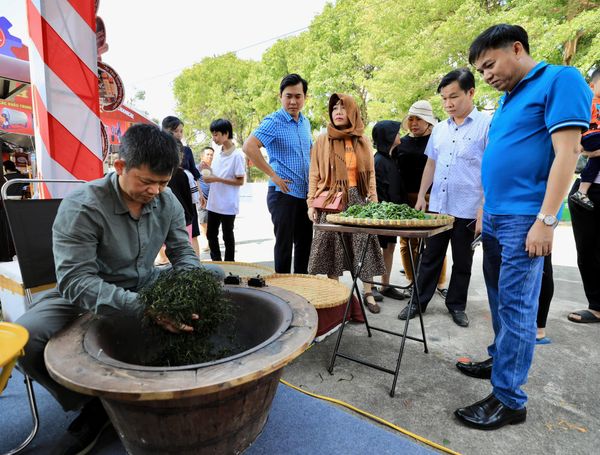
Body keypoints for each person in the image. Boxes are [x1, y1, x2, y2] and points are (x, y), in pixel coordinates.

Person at [16, 124, 224, 454]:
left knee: (213, 276)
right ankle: (94, 404)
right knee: (28, 335)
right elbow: (75, 281)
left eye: (163, 182)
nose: (156, 191)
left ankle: (178, 360)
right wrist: (146, 308)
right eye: (146, 181)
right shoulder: (83, 206)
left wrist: (189, 286)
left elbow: (182, 252)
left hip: (146, 280)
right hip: (85, 292)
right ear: (120, 167)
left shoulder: (166, 199)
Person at [455, 24, 591, 430]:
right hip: (496, 214)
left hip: (525, 218)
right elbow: (498, 158)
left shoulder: (559, 79)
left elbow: (567, 153)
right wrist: (483, 209)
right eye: (480, 71)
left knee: (517, 307)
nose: (487, 75)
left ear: (517, 48)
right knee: (498, 297)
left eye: (490, 64)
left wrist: (546, 220)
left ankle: (509, 399)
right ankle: (501, 361)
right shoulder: (507, 100)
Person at [398, 69, 490, 327]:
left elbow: (491, 169)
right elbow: (431, 163)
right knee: (430, 257)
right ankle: (418, 301)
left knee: (463, 260)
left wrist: (484, 207)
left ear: (471, 92)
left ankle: (457, 305)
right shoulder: (439, 130)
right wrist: (422, 197)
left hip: (470, 208)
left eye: (454, 97)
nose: (448, 104)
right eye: (444, 99)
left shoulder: (486, 126)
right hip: (439, 206)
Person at [307, 94, 386, 313]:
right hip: (332, 199)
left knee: (365, 245)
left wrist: (374, 202)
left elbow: (370, 175)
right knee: (333, 246)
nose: (338, 112)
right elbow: (314, 173)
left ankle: (368, 292)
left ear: (352, 111)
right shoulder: (323, 140)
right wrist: (311, 203)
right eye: (334, 109)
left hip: (358, 200)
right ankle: (336, 294)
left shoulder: (362, 141)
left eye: (343, 108)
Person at [243, 74, 313, 274]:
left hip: (305, 194)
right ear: (280, 97)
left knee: (305, 245)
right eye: (288, 96)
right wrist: (273, 175)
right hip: (283, 194)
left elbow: (311, 152)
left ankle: (302, 288)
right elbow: (249, 146)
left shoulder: (305, 122)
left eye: (298, 96)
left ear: (304, 97)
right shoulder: (274, 121)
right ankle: (282, 294)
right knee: (284, 246)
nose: (293, 101)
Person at [393, 101, 447, 296]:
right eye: (411, 119)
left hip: (432, 198)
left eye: (419, 119)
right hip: (407, 198)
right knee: (407, 242)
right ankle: (411, 280)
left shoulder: (438, 139)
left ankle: (440, 284)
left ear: (428, 122)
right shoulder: (402, 143)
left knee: (435, 242)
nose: (414, 123)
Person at [372, 120, 409, 301]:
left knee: (390, 247)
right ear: (388, 136)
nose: (399, 135)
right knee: (377, 248)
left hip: (392, 213)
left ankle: (385, 286)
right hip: (382, 215)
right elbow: (378, 190)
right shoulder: (379, 160)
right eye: (396, 132)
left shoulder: (392, 157)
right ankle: (370, 287)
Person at [204, 119, 246, 262]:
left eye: (216, 135)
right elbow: (216, 174)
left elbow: (240, 181)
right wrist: (208, 173)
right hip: (214, 202)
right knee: (210, 235)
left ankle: (230, 265)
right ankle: (217, 263)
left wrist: (217, 179)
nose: (214, 138)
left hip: (228, 203)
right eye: (213, 135)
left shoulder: (238, 155)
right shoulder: (217, 152)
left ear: (226, 133)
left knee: (227, 235)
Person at [161, 116, 202, 255]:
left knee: (192, 231)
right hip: (169, 194)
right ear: (166, 131)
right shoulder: (159, 150)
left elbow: (194, 172)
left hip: (186, 193)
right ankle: (165, 259)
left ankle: (195, 261)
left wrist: (200, 194)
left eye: (181, 131)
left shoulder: (187, 151)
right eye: (175, 131)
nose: (179, 134)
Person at [569, 68, 600, 210]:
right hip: (592, 136)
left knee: (595, 161)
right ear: (592, 86)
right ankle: (582, 191)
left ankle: (582, 192)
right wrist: (579, 142)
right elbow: (578, 121)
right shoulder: (589, 102)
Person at [197, 146, 215, 251]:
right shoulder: (197, 168)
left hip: (215, 199)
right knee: (204, 219)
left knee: (212, 220)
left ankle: (210, 238)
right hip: (202, 198)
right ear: (202, 156)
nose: (210, 156)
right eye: (207, 154)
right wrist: (200, 195)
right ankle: (205, 239)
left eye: (212, 154)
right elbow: (195, 180)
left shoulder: (215, 168)